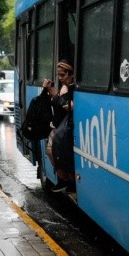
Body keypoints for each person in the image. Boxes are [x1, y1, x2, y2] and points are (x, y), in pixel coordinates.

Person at [42, 60, 76, 192]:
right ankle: (64, 180)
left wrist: (55, 94)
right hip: (57, 126)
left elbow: (66, 105)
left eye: (63, 75)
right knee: (52, 152)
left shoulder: (73, 87)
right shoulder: (63, 87)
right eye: (59, 76)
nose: (61, 79)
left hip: (64, 128)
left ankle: (67, 181)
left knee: (59, 153)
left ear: (70, 73)